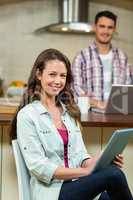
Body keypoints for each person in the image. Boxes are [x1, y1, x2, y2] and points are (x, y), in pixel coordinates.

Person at [10, 48, 133, 200]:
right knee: (114, 175)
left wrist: (98, 160)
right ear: (39, 75)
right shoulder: (27, 115)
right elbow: (39, 167)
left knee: (108, 195)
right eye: (52, 74)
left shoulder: (69, 112)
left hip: (75, 185)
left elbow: (80, 155)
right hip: (51, 192)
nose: (58, 81)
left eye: (63, 76)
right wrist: (85, 172)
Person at [72, 10, 133, 109]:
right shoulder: (81, 57)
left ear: (114, 29)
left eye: (110, 27)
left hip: (117, 114)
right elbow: (75, 89)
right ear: (95, 27)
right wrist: (98, 104)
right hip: (91, 116)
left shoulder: (122, 57)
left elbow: (129, 88)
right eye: (102, 26)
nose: (105, 31)